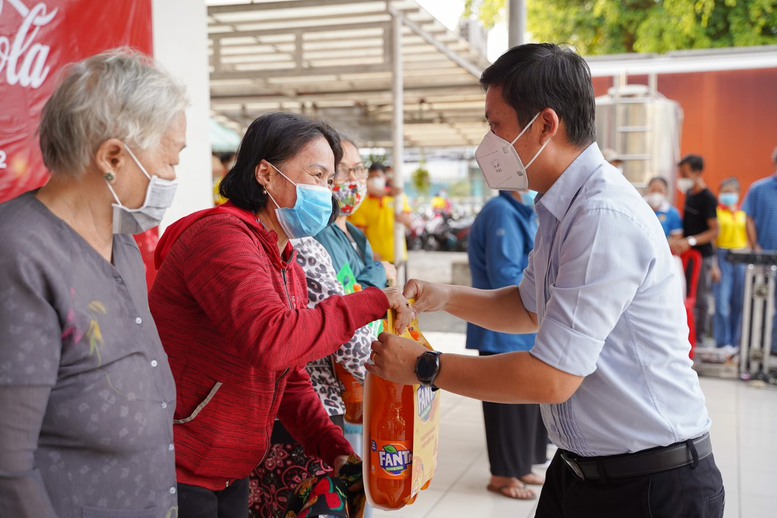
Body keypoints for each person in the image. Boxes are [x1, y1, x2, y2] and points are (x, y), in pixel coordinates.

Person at [368, 43, 724, 517]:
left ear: (545, 125)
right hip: (581, 470)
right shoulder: (561, 206)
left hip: (648, 485)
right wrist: (445, 296)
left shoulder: (601, 216)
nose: (488, 142)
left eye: (496, 126)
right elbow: (529, 307)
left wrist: (425, 368)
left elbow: (552, 378)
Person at [149, 112, 413, 518]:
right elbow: (272, 340)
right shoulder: (222, 239)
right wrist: (373, 300)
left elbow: (286, 374)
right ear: (266, 175)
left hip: (229, 470)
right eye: (317, 174)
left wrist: (334, 448)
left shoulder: (284, 259)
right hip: (180, 468)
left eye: (329, 181)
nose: (327, 192)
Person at [0, 49, 188, 517]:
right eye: (169, 161)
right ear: (112, 157)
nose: (172, 177)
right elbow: (7, 464)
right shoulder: (20, 255)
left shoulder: (123, 246)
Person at [466, 189, 547, 501]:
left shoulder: (524, 212)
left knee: (525, 403)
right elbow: (507, 275)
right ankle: (502, 475)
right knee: (506, 407)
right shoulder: (501, 211)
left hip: (522, 327)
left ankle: (521, 466)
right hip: (500, 327)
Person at [316, 138, 396, 289]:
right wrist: (381, 272)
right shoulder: (322, 232)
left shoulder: (353, 232)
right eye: (341, 170)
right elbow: (349, 296)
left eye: (358, 169)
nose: (353, 179)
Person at [670, 154, 719, 345]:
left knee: (700, 299)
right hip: (687, 256)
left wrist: (689, 241)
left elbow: (714, 231)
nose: (681, 177)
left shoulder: (707, 199)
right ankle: (686, 338)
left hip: (703, 257)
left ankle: (700, 340)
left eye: (685, 173)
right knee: (686, 297)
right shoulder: (690, 196)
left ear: (697, 173)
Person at [742, 146, 777, 355]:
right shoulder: (759, 189)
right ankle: (758, 349)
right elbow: (749, 219)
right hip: (764, 259)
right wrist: (756, 247)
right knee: (760, 306)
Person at [349, 163, 413, 264]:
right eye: (372, 177)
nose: (375, 179)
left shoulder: (399, 199)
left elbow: (410, 224)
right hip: (375, 259)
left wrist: (405, 220)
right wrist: (369, 252)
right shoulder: (363, 203)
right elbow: (360, 233)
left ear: (385, 177)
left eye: (378, 176)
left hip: (398, 255)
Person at [712, 178, 747, 350]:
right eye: (725, 192)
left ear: (738, 194)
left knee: (738, 303)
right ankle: (722, 342)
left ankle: (735, 342)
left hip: (741, 257)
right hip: (722, 256)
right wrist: (715, 265)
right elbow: (713, 241)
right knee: (722, 302)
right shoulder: (717, 213)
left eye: (732, 192)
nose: (728, 195)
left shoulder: (743, 214)